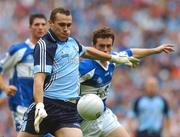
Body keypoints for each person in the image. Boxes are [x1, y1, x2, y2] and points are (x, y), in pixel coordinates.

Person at [17, 7, 139, 137]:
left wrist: (113, 58)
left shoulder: (72, 42)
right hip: (46, 105)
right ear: (51, 23)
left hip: (68, 110)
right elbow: (39, 79)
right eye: (61, 24)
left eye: (68, 25)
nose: (66, 28)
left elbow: (87, 51)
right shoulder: (45, 45)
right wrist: (40, 105)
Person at [79, 27, 174, 137]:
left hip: (104, 116)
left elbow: (131, 52)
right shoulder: (86, 67)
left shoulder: (112, 60)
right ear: (93, 46)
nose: (105, 50)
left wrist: (155, 50)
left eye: (108, 46)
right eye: (101, 46)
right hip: (84, 121)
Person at [0, 13, 48, 132]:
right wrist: (5, 87)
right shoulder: (18, 50)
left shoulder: (51, 51)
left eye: (43, 24)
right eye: (36, 24)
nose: (40, 27)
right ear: (30, 27)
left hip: (44, 106)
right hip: (22, 105)